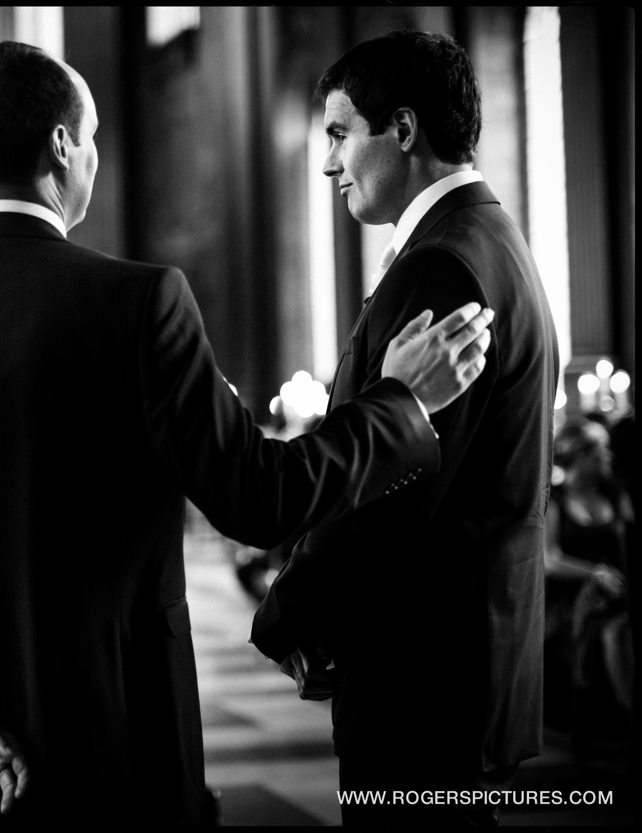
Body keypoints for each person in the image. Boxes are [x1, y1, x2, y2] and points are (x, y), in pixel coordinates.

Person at [0, 40, 494, 826]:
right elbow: (256, 499)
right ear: (63, 146)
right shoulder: (138, 304)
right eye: (94, 136)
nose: (96, 157)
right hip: (117, 746)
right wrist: (401, 404)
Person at [251, 31, 560, 826]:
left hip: (419, 660)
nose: (328, 163)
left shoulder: (441, 264)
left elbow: (397, 482)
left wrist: (293, 608)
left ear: (404, 130)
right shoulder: (487, 236)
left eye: (339, 133)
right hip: (459, 647)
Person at [543, 418, 633, 741]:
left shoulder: (615, 493)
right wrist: (594, 574)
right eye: (599, 451)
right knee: (612, 632)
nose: (607, 456)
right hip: (570, 601)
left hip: (619, 592)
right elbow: (549, 560)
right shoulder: (556, 501)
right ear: (579, 457)